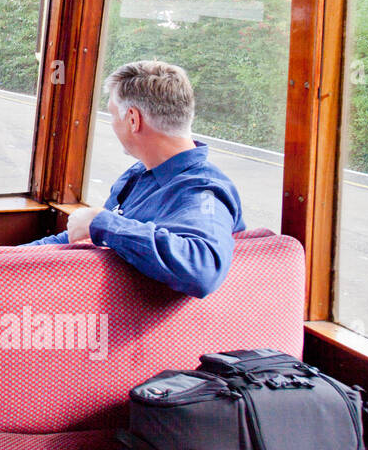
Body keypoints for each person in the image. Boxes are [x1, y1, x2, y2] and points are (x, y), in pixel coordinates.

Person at [25, 60, 246, 298]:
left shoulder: (203, 190)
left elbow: (204, 269)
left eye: (112, 114)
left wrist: (103, 223)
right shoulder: (138, 176)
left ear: (133, 119)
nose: (112, 124)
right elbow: (86, 236)